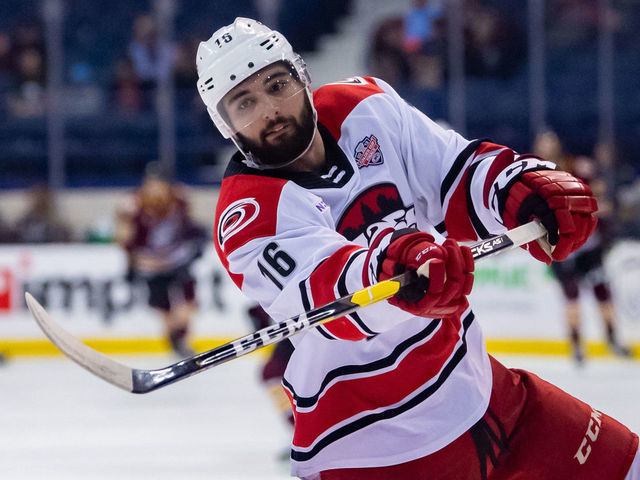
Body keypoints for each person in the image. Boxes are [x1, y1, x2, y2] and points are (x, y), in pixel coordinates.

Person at [197, 18, 639, 480]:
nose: (271, 109)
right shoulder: (245, 215)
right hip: (374, 448)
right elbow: (332, 294)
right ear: (224, 124)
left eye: (276, 83)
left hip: (486, 392)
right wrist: (395, 267)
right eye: (244, 102)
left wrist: (517, 188)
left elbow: (453, 172)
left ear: (302, 76)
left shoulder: (365, 107)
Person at [533, 130, 631, 364]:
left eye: (550, 143)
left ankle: (612, 338)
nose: (547, 147)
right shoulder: (534, 172)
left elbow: (599, 198)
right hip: (563, 247)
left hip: (588, 244)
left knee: (602, 291)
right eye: (543, 144)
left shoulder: (576, 166)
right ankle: (576, 345)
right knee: (571, 296)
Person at [115, 162, 207, 357]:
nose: (156, 187)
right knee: (163, 308)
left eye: (160, 183)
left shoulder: (179, 199)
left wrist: (195, 243)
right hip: (150, 263)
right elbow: (125, 238)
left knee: (187, 303)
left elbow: (188, 226)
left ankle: (180, 337)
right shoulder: (134, 203)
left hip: (177, 258)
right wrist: (130, 263)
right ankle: (175, 341)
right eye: (152, 183)